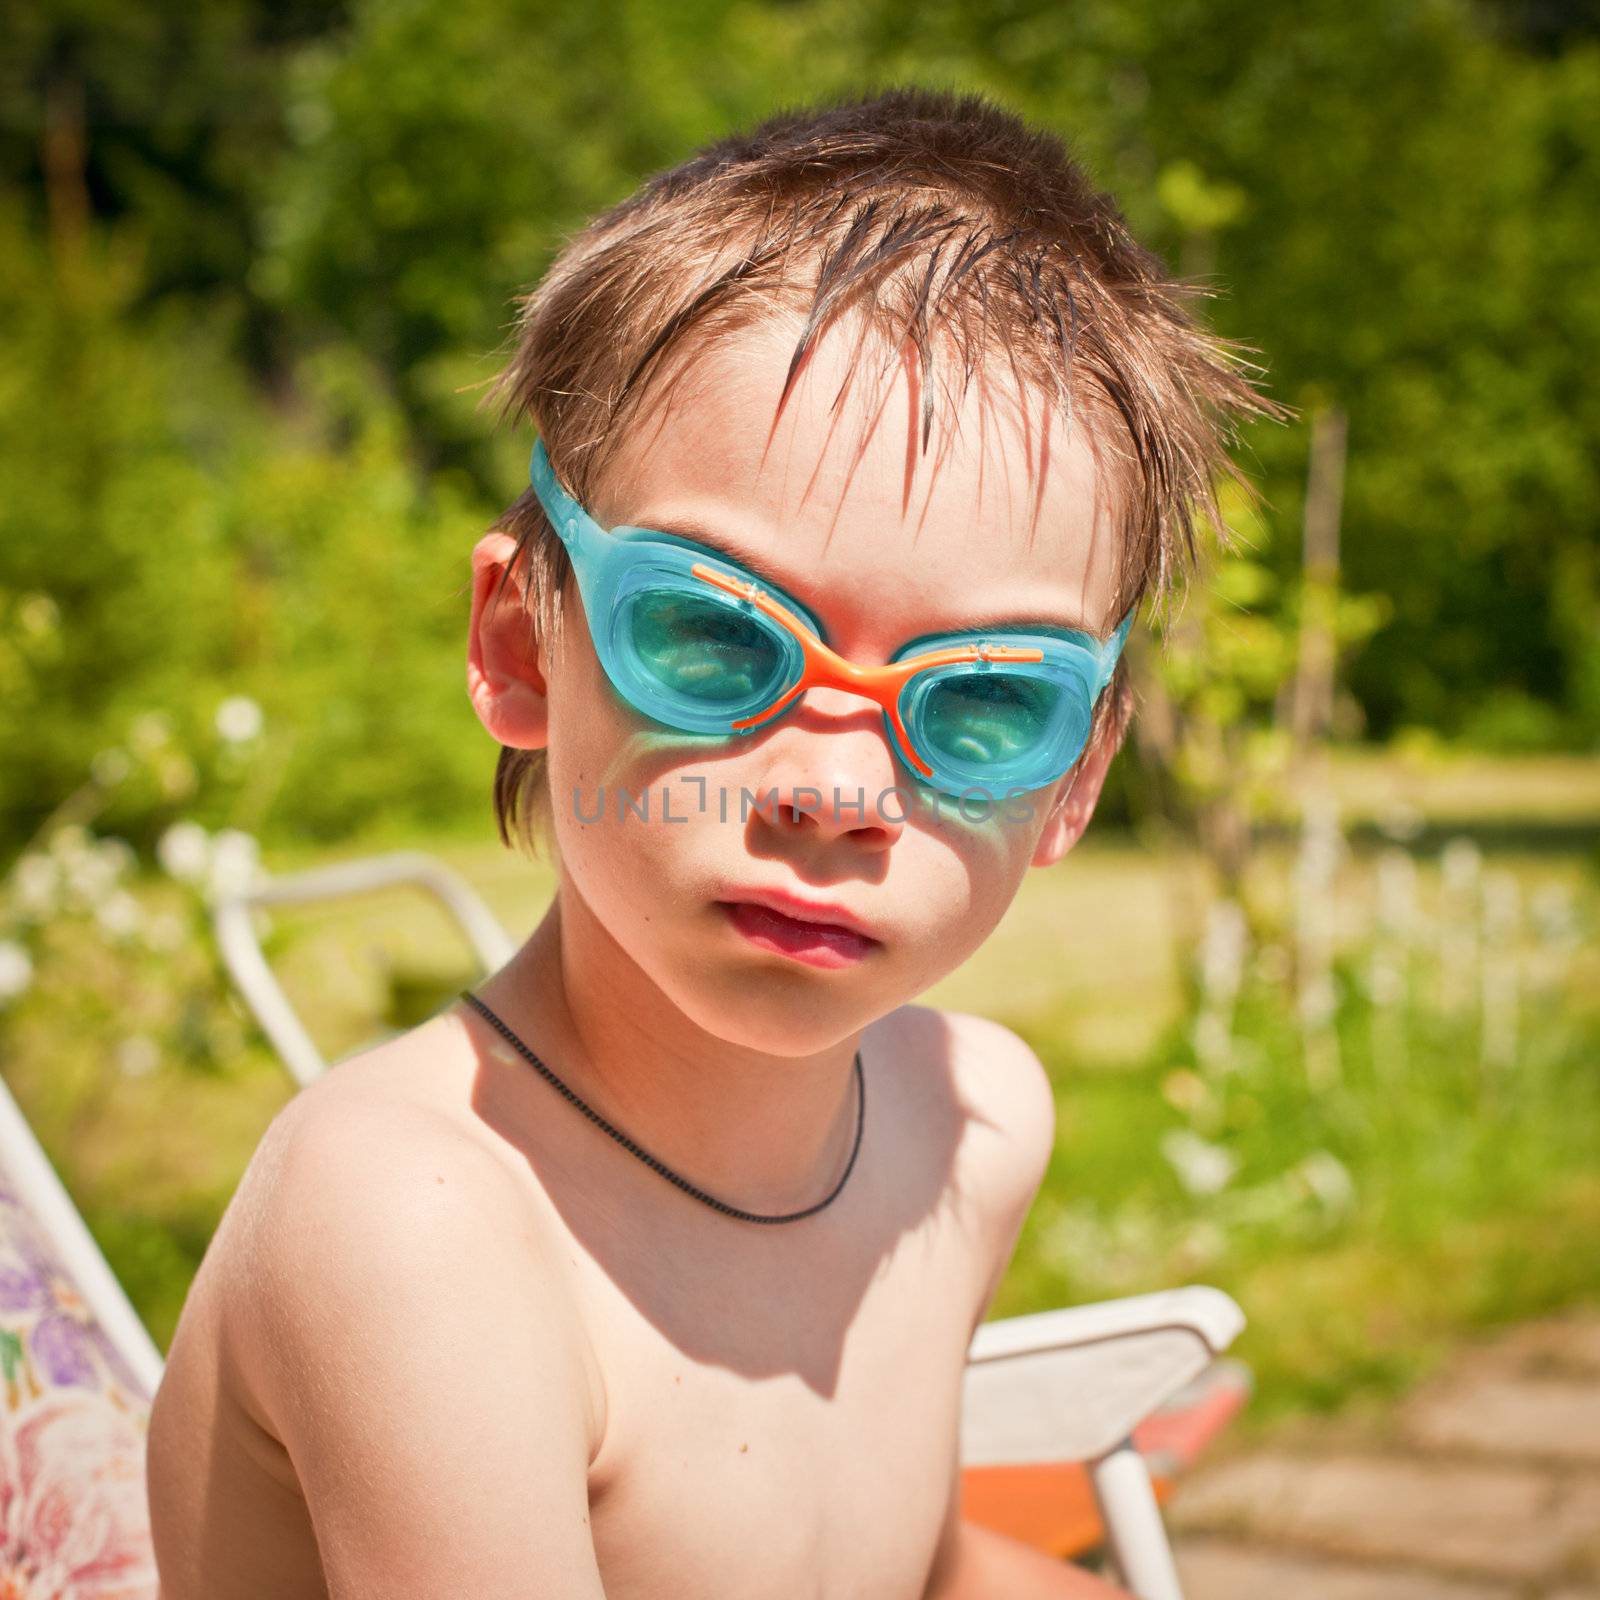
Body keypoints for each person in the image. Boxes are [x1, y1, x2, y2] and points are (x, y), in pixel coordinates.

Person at [145, 86, 1280, 1598]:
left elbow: (920, 1573)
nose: (837, 787)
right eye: (710, 634)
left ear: (1076, 779)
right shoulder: (423, 1231)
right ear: (522, 647)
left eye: (990, 701)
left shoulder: (967, 1124)